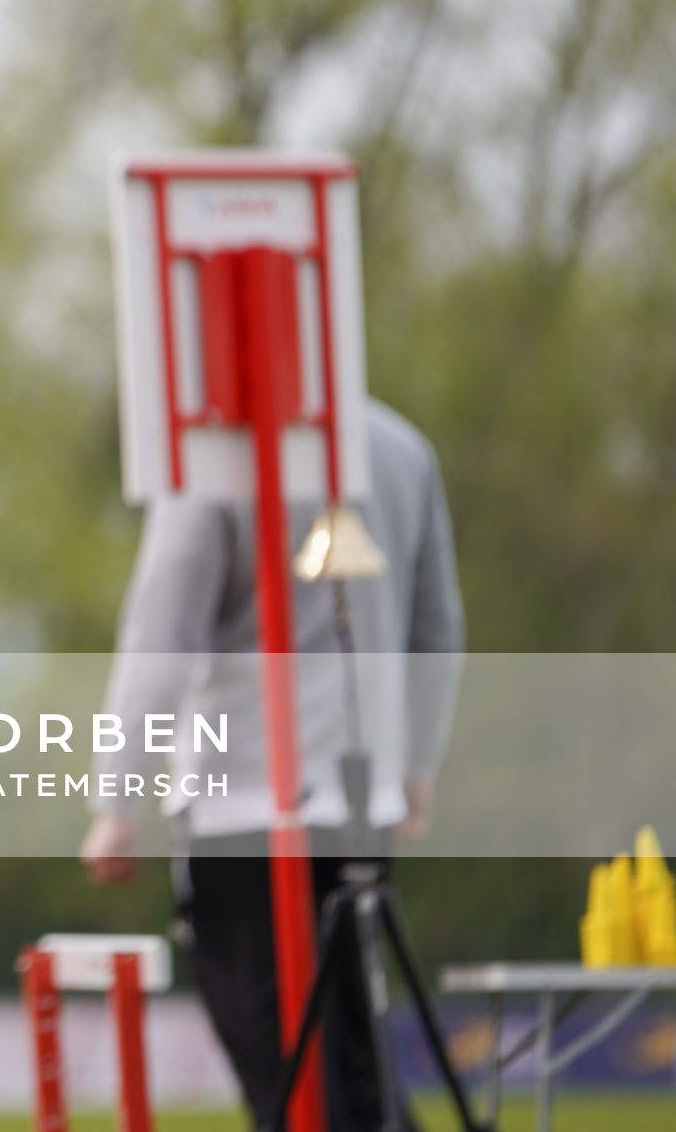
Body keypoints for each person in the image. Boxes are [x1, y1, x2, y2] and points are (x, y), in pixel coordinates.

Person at [78, 397, 463, 1132]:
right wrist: (413, 769)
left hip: (243, 812)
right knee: (358, 1059)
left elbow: (161, 640)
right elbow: (438, 627)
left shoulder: (213, 459)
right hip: (361, 809)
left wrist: (116, 800)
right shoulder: (403, 448)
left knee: (287, 1074)